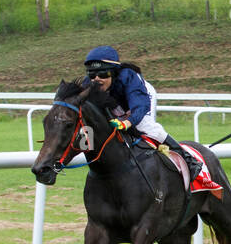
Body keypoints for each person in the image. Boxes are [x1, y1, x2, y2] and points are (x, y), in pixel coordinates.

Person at [82, 45, 202, 180]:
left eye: (103, 74)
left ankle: (190, 161)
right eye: (92, 74)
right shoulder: (88, 84)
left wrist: (127, 122)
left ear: (114, 72)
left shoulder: (128, 77)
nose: (96, 79)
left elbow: (140, 106)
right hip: (116, 102)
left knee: (146, 127)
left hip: (140, 98)